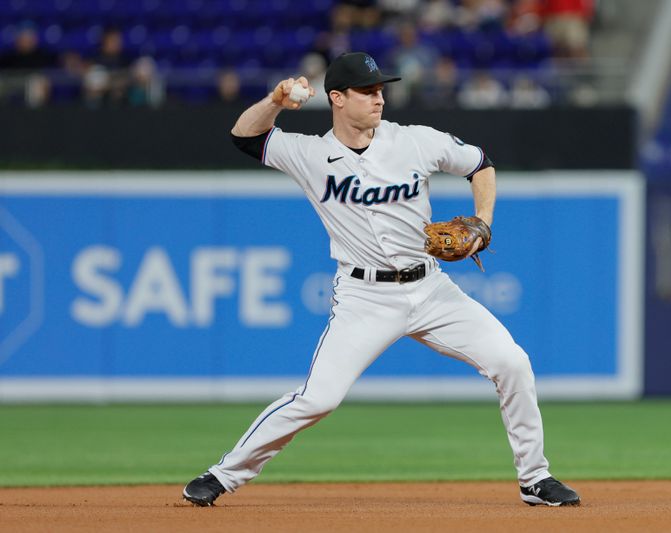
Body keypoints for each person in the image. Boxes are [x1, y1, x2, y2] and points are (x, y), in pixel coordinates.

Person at [182, 51, 580, 508]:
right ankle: (223, 475)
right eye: (367, 91)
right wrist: (274, 99)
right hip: (363, 297)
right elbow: (244, 136)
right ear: (337, 98)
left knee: (512, 362)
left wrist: (482, 221)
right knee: (318, 399)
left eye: (381, 89)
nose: (379, 98)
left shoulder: (415, 141)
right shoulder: (310, 154)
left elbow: (480, 163)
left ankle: (535, 478)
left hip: (431, 289)